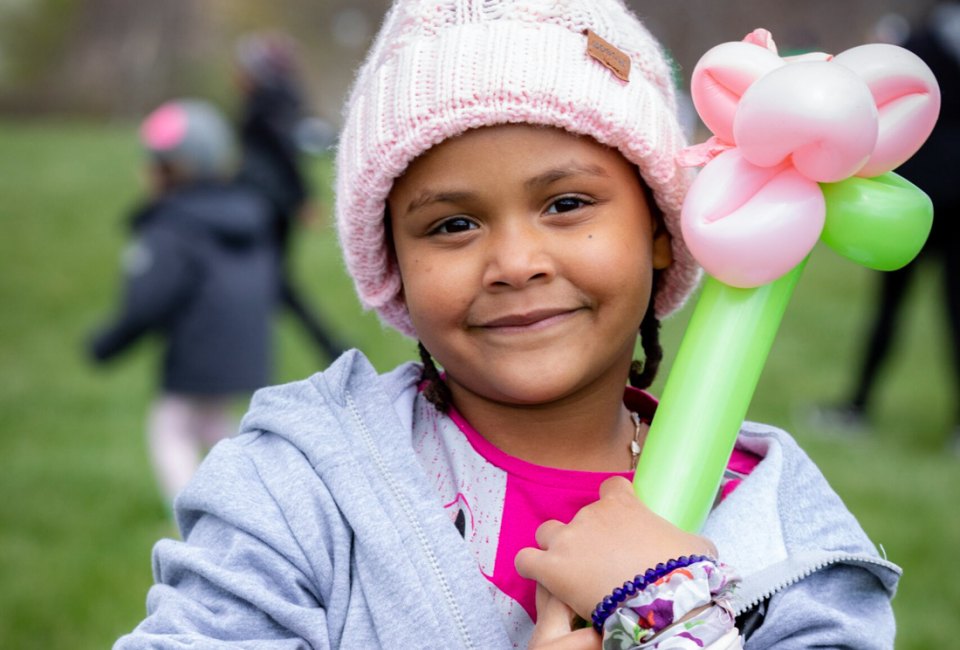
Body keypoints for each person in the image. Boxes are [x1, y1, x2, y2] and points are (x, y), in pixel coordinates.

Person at [115, 2, 900, 648]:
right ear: (392, 260)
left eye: (566, 204)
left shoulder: (773, 517)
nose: (515, 262)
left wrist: (670, 620)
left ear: (662, 226)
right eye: (453, 225)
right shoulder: (302, 487)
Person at [89, 99, 278, 509]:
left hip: (195, 355)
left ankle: (193, 522)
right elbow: (282, 288)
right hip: (245, 351)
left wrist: (105, 346)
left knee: (170, 431)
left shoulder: (170, 224)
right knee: (214, 426)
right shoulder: (250, 215)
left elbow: (148, 300)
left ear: (168, 170)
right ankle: (255, 508)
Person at [815, 3, 960, 453]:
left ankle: (856, 407)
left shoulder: (921, 43)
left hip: (914, 202)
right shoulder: (922, 40)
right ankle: (860, 406)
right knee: (943, 314)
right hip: (918, 204)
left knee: (894, 310)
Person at [235, 31, 346, 363]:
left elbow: (285, 153)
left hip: (268, 203)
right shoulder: (275, 98)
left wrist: (302, 198)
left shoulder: (270, 99)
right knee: (269, 283)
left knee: (272, 282)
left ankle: (330, 346)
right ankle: (327, 347)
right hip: (265, 200)